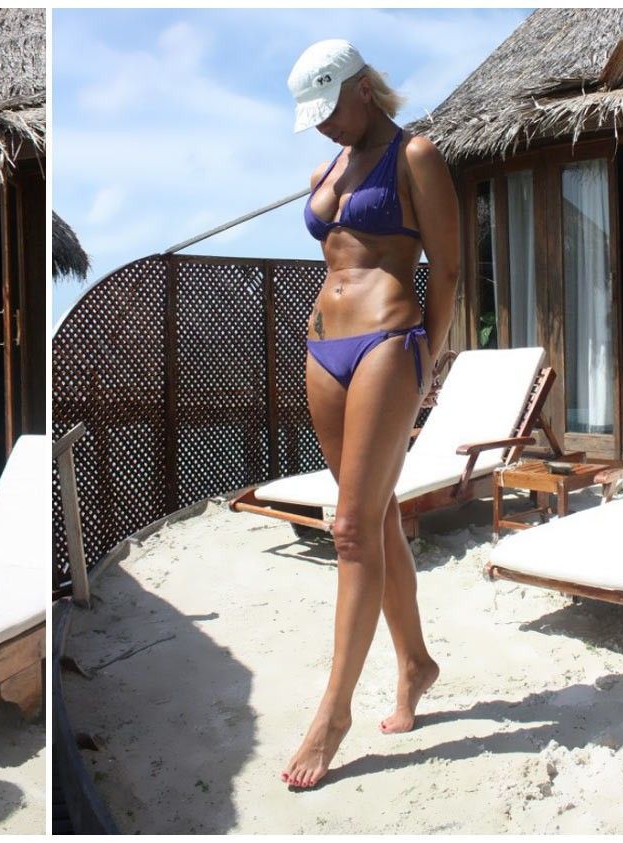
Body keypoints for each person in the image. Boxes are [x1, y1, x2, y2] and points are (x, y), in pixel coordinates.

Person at [279, 39, 459, 789]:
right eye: (313, 117)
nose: (323, 126)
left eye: (330, 109)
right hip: (325, 350)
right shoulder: (326, 171)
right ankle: (415, 664)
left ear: (361, 88)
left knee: (350, 529)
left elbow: (447, 267)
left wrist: (429, 357)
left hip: (389, 342)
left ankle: (333, 714)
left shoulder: (414, 154)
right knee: (375, 518)